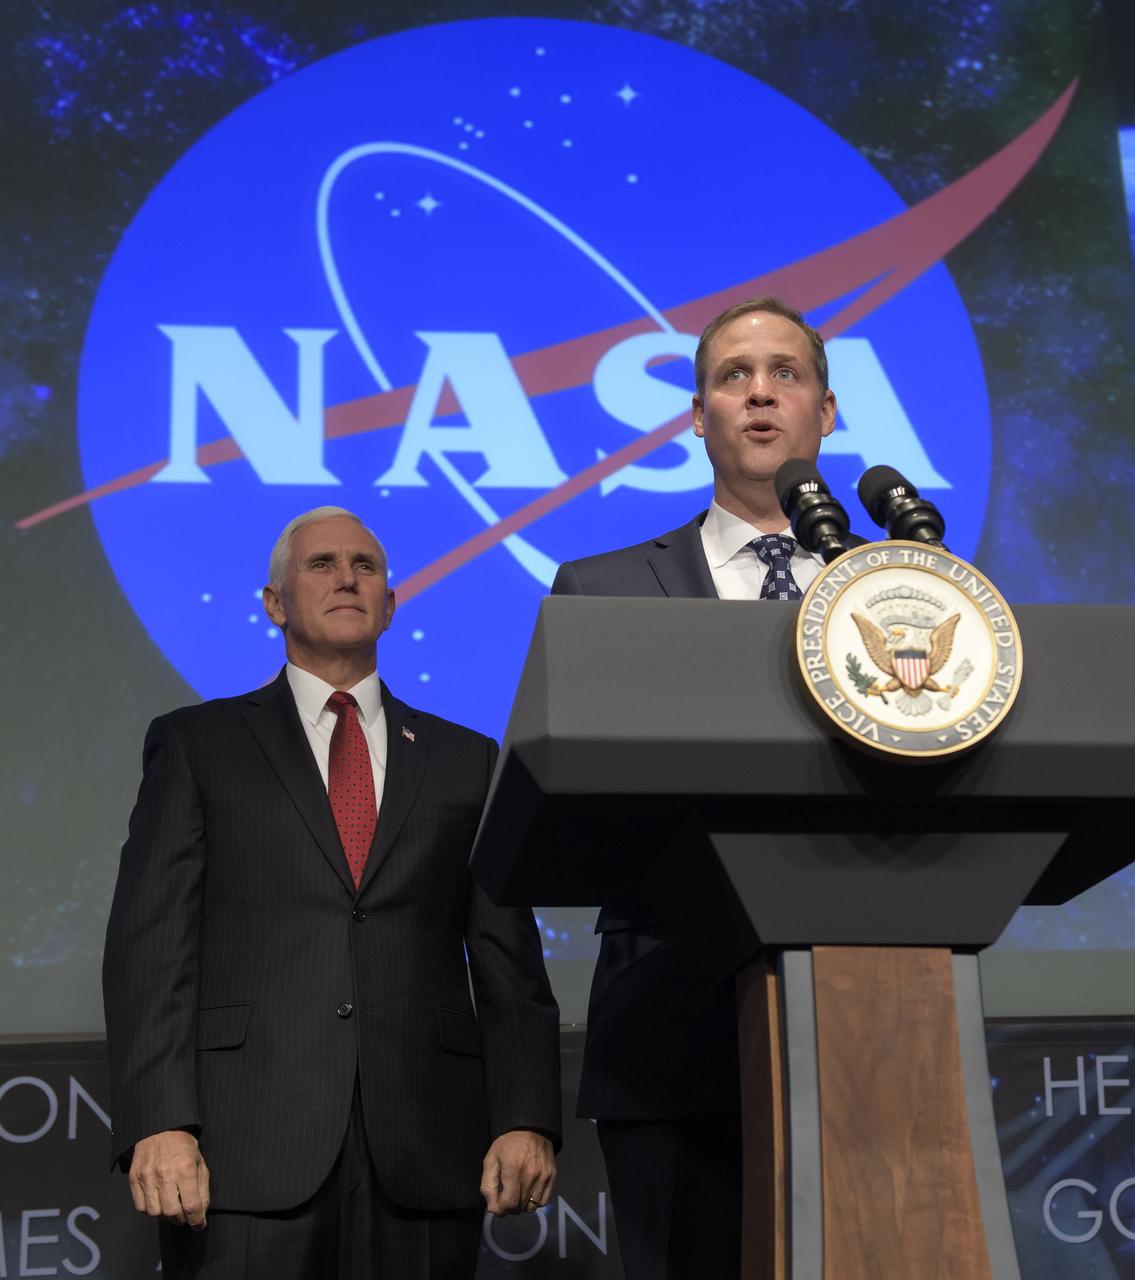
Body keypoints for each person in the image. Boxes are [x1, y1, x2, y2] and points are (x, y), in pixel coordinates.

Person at [103, 507, 561, 1279]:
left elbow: (509, 963)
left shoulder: (466, 758)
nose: (346, 577)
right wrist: (160, 1122)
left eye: (365, 566)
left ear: (391, 604)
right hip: (242, 1157)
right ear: (274, 603)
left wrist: (525, 1118)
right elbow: (150, 952)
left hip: (425, 1151)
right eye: (321, 564)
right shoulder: (197, 745)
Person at [552, 296, 868, 1277]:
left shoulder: (901, 589)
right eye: (734, 376)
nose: (760, 392)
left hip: (870, 1019)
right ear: (697, 416)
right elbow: (574, 803)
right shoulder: (602, 592)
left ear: (826, 411)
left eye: (786, 373)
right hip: (670, 1028)